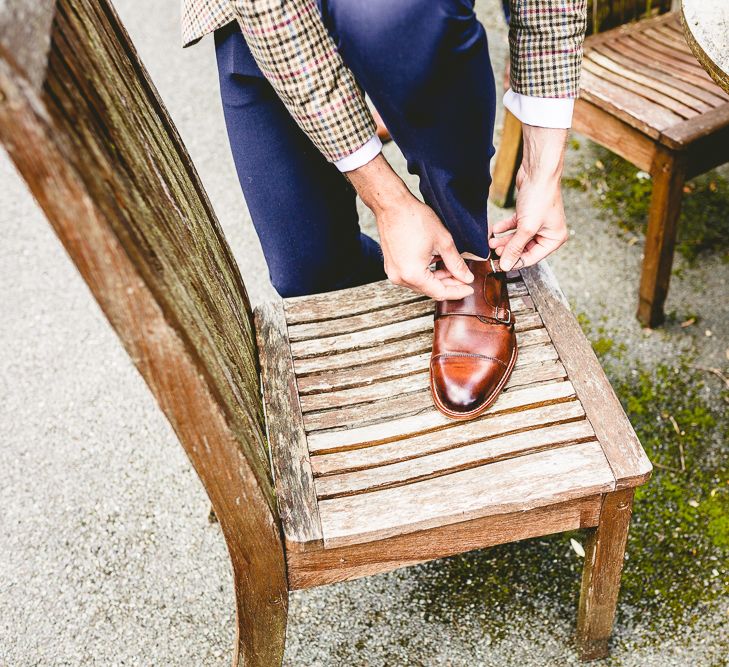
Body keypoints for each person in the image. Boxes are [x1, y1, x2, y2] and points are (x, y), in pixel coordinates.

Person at [181, 0, 587, 419]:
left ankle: (468, 255)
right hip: (269, 19)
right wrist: (386, 200)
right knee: (304, 268)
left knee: (390, 18)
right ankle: (372, 108)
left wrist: (544, 165)